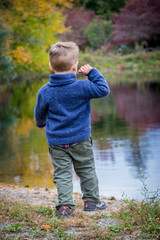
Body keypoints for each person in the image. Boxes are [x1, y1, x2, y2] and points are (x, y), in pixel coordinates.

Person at [34, 41, 110, 217]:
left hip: (57, 141)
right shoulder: (83, 87)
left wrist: (40, 124)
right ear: (75, 66)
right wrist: (92, 72)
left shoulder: (45, 91)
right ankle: (91, 202)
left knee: (62, 174)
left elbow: (39, 113)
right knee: (86, 170)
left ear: (51, 66)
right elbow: (103, 89)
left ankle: (65, 207)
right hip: (81, 139)